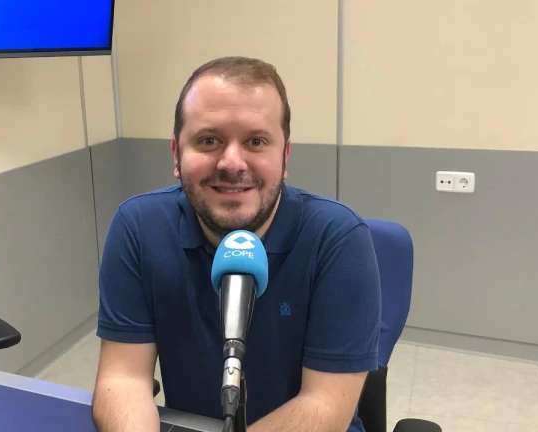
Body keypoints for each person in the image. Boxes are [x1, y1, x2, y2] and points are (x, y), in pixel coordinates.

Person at [91, 56, 382, 432]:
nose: (231, 163)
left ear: (284, 156)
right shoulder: (138, 227)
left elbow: (325, 404)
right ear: (177, 154)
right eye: (208, 140)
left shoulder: (339, 238)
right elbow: (123, 380)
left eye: (256, 141)